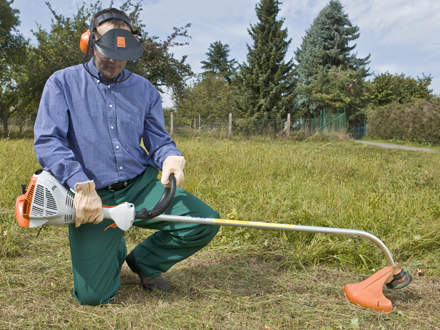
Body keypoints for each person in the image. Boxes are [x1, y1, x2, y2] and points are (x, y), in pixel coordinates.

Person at [33, 8, 220, 306]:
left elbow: (157, 141)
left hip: (140, 184)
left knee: (203, 221)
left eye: (123, 55)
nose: (115, 61)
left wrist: (170, 156)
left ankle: (145, 263)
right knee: (93, 296)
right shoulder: (62, 83)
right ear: (89, 42)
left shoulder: (144, 90)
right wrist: (80, 184)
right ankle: (110, 244)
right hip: (93, 193)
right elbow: (48, 141)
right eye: (107, 52)